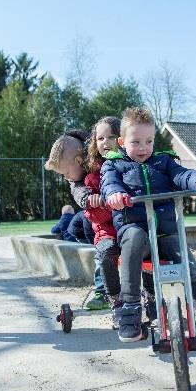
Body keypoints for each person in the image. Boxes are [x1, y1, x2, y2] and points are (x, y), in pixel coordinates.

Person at [101, 106, 196, 357]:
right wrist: (114, 194)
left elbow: (184, 175)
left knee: (192, 271)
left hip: (167, 233)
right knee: (133, 239)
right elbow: (108, 184)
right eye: (136, 142)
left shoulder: (164, 161)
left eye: (149, 141)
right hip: (136, 230)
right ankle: (131, 310)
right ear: (122, 142)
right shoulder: (114, 166)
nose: (144, 147)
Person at [45, 118, 122, 312]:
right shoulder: (79, 178)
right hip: (98, 216)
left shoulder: (102, 155)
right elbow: (78, 190)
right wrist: (89, 198)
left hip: (120, 212)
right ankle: (102, 289)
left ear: (79, 161)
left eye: (66, 173)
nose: (66, 178)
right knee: (100, 247)